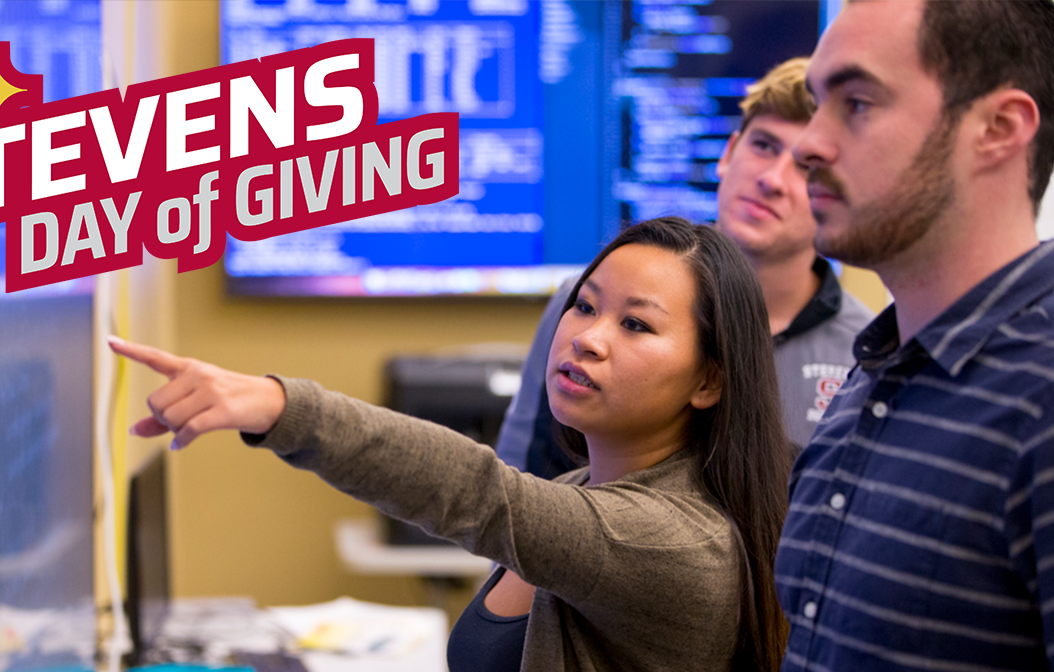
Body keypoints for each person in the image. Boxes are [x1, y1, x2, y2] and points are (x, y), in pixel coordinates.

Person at [111, 217, 795, 672]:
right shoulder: (578, 493)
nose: (587, 335)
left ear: (709, 380)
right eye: (584, 305)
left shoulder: (669, 542)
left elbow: (477, 491)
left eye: (636, 325)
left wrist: (281, 406)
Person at [775, 1, 1054, 670]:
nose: (807, 143)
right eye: (817, 103)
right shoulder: (872, 376)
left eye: (858, 102)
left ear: (998, 128)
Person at [497, 59, 874, 480]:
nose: (772, 179)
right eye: (763, 145)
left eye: (806, 166)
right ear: (728, 153)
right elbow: (520, 497)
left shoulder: (867, 351)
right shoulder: (587, 301)